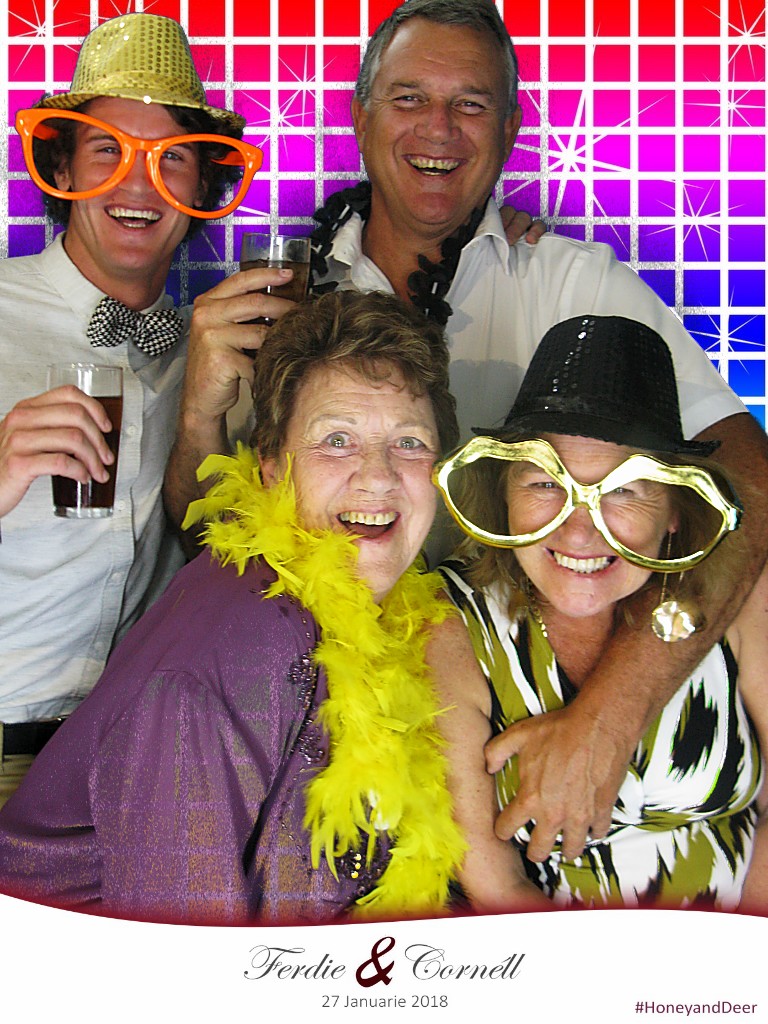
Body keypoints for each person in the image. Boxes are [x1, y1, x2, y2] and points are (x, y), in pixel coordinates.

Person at [165, 0, 768, 862]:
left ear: (511, 129)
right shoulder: (277, 295)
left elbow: (750, 481)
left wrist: (614, 709)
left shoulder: (572, 282)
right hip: (321, 732)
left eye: (471, 104)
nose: (439, 129)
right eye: (409, 97)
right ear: (360, 117)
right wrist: (197, 416)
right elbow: (210, 542)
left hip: (531, 723)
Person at [0, 289, 468, 925]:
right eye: (337, 439)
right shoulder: (237, 649)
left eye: (409, 442)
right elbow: (186, 961)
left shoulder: (400, 624)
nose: (379, 476)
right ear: (271, 470)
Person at [0, 13, 265, 802]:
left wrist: (200, 418)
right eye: (107, 149)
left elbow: (225, 564)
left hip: (129, 771)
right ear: (63, 166)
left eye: (171, 157)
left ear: (202, 188)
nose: (139, 183)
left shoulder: (210, 354)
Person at [432, 314, 768, 910]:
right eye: (545, 483)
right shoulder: (448, 622)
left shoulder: (739, 597)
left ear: (675, 510)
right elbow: (495, 885)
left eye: (624, 490)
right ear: (503, 494)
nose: (580, 530)